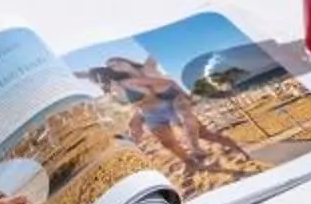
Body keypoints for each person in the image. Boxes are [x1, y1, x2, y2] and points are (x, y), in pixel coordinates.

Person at [87, 53, 250, 179]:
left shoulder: (133, 80)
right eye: (96, 81)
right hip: (150, 116)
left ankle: (237, 148)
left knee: (203, 134)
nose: (100, 81)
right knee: (168, 144)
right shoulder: (114, 89)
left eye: (115, 64)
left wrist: (183, 97)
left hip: (167, 107)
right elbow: (133, 104)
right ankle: (190, 164)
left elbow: (166, 84)